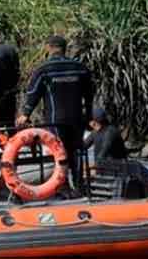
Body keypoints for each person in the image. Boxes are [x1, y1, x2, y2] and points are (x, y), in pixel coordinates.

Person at [17, 35, 94, 185]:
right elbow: (89, 94)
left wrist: (26, 114)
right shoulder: (80, 68)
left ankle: (63, 186)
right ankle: (79, 185)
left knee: (59, 151)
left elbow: (33, 93)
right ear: (65, 49)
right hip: (76, 117)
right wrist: (89, 114)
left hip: (55, 119)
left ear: (49, 48)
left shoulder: (43, 69)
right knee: (76, 151)